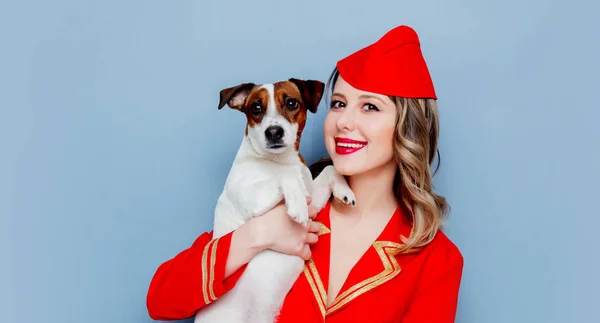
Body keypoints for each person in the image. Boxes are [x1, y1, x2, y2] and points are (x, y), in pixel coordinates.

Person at [146, 25, 464, 322]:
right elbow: (161, 297)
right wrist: (257, 234)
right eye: (338, 104)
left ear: (407, 128)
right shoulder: (295, 198)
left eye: (370, 107)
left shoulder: (438, 260)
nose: (343, 122)